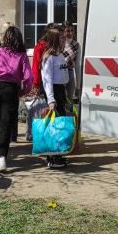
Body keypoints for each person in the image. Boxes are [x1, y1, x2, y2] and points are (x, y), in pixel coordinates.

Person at [0, 26, 32, 172]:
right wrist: (24, 90)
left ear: (6, 38)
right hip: (11, 89)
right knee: (6, 122)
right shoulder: (22, 55)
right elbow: (28, 77)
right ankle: (1, 158)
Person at [39, 27, 70, 169]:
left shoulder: (61, 55)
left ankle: (58, 154)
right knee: (54, 125)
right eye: (61, 38)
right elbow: (47, 80)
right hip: (53, 92)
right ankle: (51, 157)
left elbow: (64, 75)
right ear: (54, 40)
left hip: (61, 91)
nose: (64, 40)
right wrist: (51, 100)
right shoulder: (49, 57)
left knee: (61, 124)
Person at [61, 22, 81, 102]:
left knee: (69, 101)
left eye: (72, 30)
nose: (70, 33)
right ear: (63, 31)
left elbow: (77, 65)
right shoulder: (59, 44)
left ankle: (68, 114)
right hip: (59, 75)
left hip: (70, 74)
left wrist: (78, 86)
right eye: (67, 31)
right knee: (60, 100)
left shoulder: (76, 45)